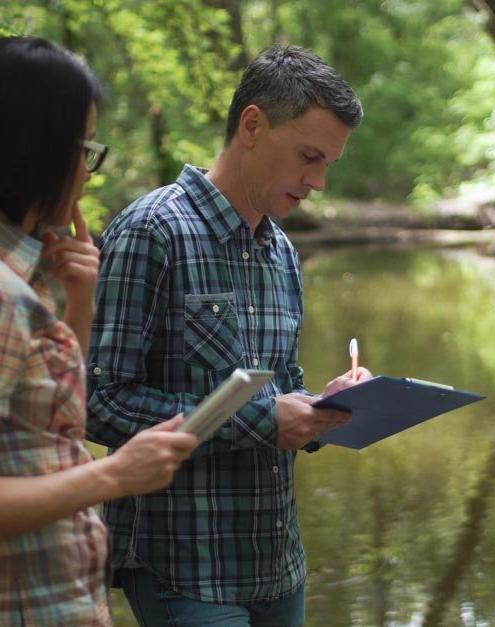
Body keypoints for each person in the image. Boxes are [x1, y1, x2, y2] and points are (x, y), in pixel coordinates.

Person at [86, 45, 370, 626]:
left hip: (277, 566)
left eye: (328, 166)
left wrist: (326, 406)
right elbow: (101, 403)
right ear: (252, 125)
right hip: (183, 568)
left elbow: (282, 387)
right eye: (308, 157)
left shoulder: (282, 251)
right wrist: (266, 420)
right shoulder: (151, 230)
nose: (317, 183)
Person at [0, 36, 198, 626]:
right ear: (34, 150)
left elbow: (47, 432)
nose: (88, 173)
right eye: (83, 148)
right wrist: (113, 474)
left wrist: (80, 303)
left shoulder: (30, 280)